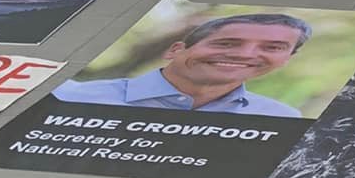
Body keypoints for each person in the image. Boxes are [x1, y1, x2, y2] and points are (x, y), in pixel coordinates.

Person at [52, 12, 310, 116]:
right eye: (226, 43)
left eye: (272, 48)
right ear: (175, 50)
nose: (245, 55)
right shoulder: (68, 96)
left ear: (286, 60)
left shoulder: (281, 117)